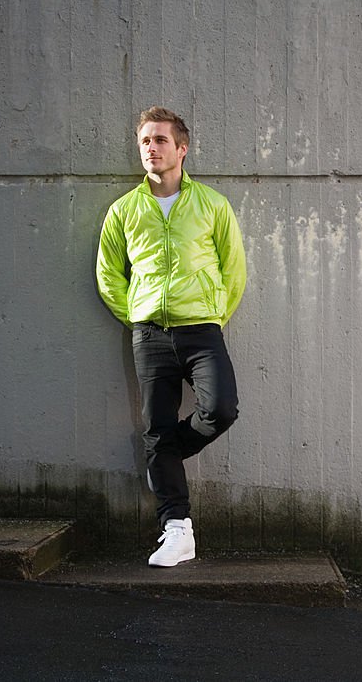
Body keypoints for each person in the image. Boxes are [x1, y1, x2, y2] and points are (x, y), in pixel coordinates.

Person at [96, 106, 246, 567]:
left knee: (219, 409)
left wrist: (213, 314)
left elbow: (233, 270)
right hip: (150, 335)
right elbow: (109, 274)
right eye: (145, 141)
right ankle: (177, 529)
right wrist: (138, 317)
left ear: (181, 148)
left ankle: (163, 456)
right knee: (156, 426)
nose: (151, 148)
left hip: (201, 329)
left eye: (161, 140)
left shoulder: (212, 204)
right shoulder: (124, 210)